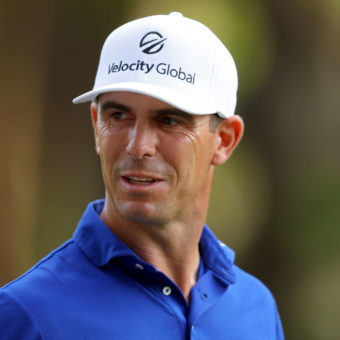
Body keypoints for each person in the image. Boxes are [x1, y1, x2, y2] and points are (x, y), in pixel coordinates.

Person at [0, 12, 284, 339]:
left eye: (169, 121)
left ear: (225, 140)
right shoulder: (28, 314)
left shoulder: (256, 308)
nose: (138, 147)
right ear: (96, 126)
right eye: (119, 116)